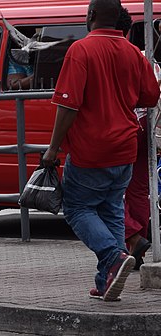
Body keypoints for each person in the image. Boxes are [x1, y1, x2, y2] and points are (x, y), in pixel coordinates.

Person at [41, 0, 160, 301]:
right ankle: (105, 282)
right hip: (125, 149)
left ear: (91, 16)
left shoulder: (80, 51)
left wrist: (53, 149)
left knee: (78, 209)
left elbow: (67, 105)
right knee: (111, 212)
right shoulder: (134, 53)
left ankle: (114, 257)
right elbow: (150, 95)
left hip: (90, 150)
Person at [116, 7, 156, 268]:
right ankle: (137, 249)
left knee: (104, 192)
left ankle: (132, 236)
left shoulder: (109, 54)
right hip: (144, 126)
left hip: (118, 126)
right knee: (139, 190)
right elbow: (152, 94)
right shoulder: (146, 59)